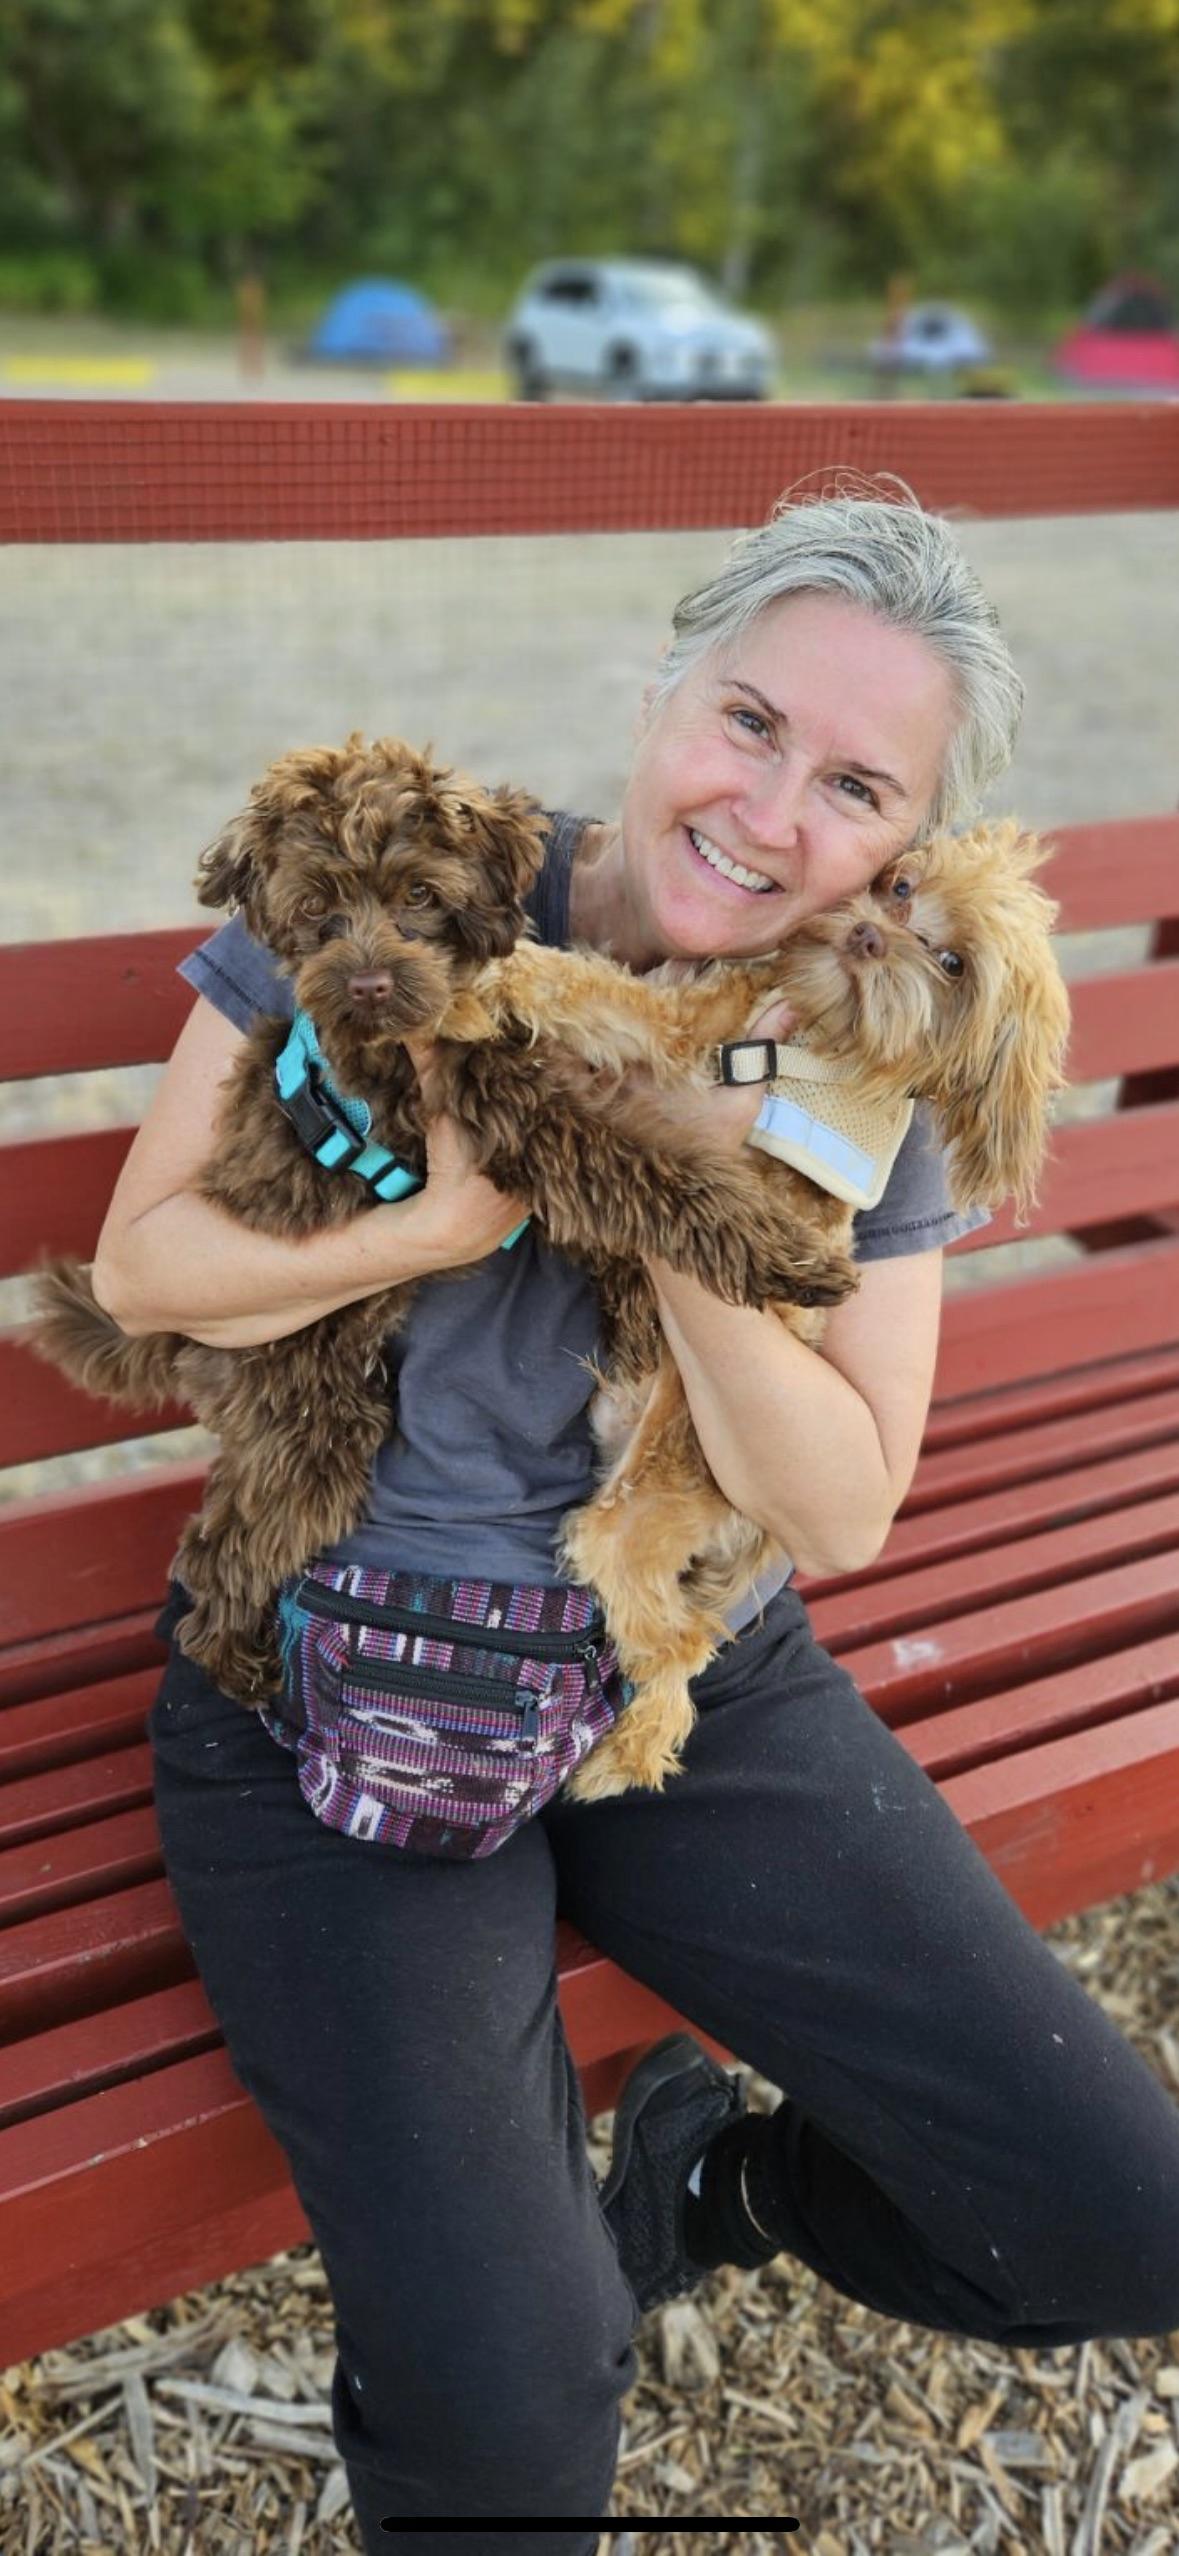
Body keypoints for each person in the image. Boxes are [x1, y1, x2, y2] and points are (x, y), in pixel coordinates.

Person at [94, 483, 1179, 2553]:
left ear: (905, 841)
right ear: (664, 683)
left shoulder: (855, 1050)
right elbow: (144, 1271)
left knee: (1117, 2224)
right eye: (749, 722)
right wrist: (433, 1224)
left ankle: (705, 2188)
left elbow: (840, 1504)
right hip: (330, 1667)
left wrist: (675, 1188)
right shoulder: (403, 879)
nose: (770, 815)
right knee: (516, 2408)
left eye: (854, 786)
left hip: (676, 1681)